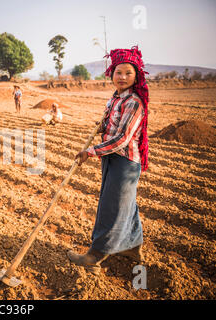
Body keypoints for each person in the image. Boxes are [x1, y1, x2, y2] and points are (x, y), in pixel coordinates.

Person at [67, 45, 150, 275]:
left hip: (125, 162)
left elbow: (123, 138)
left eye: (128, 73)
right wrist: (102, 126)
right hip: (112, 159)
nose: (122, 77)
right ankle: (132, 249)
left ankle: (95, 256)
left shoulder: (134, 102)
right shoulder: (115, 99)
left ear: (137, 76)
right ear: (111, 73)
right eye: (118, 72)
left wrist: (90, 151)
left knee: (112, 207)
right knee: (126, 205)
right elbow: (112, 127)